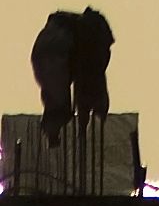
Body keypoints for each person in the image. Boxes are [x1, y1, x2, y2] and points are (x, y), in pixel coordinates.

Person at [30, 8, 114, 146]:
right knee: (78, 95)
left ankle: (53, 134)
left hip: (41, 50)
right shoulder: (93, 42)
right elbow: (89, 86)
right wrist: (89, 120)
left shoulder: (82, 30)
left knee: (56, 100)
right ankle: (56, 133)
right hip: (58, 50)